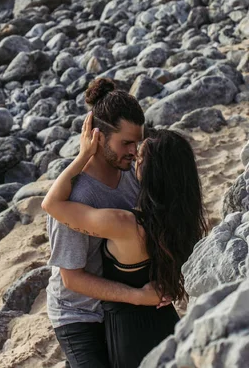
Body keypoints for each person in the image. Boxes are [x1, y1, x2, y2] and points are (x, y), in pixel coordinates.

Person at [43, 107, 207, 367]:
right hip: (83, 313)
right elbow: (70, 278)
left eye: (138, 151)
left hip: (131, 321)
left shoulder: (125, 220)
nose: (133, 154)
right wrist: (144, 293)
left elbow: (51, 204)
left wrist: (82, 154)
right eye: (128, 143)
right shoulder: (177, 216)